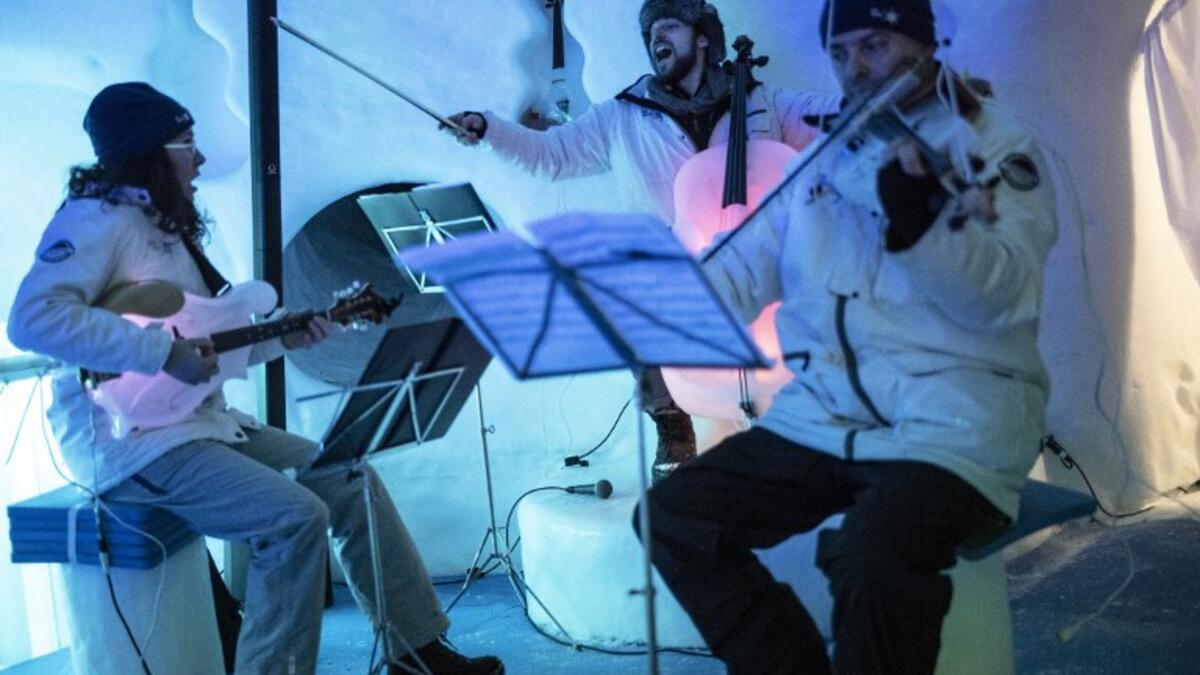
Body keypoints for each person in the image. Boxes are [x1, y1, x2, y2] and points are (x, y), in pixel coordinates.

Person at [7, 82, 503, 675]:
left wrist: (288, 334)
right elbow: (33, 320)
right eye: (187, 143)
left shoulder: (159, 222)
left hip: (193, 423)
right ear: (149, 151)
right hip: (130, 443)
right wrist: (159, 354)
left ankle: (414, 651)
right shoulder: (94, 221)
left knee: (349, 477)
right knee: (295, 517)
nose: (202, 160)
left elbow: (207, 342)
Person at [635, 0, 1058, 673]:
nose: (855, 70)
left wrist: (921, 225)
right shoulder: (826, 158)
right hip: (828, 414)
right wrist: (653, 309)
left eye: (876, 47)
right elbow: (747, 263)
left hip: (952, 419)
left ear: (925, 44)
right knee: (676, 516)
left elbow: (998, 298)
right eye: (840, 53)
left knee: (873, 553)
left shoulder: (992, 144)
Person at [446, 0, 837, 481]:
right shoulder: (624, 115)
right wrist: (489, 131)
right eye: (652, 32)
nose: (657, 39)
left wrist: (913, 95)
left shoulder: (761, 101)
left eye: (669, 26)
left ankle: (821, 411)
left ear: (702, 37)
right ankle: (673, 425)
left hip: (754, 257)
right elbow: (554, 155)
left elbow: (833, 119)